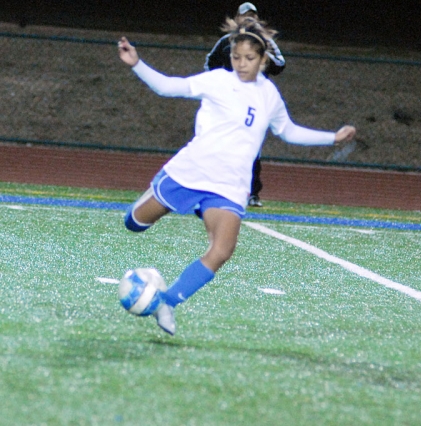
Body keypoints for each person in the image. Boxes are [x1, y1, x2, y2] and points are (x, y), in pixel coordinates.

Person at [117, 17, 356, 336]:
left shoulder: (268, 95)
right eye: (236, 57)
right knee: (133, 224)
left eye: (249, 58)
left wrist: (333, 138)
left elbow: (288, 131)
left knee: (222, 251)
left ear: (263, 59)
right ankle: (156, 197)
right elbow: (167, 86)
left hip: (229, 188)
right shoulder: (217, 80)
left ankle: (167, 302)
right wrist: (137, 63)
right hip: (191, 172)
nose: (241, 64)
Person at [205, 2, 286, 208]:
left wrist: (263, 61)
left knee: (251, 147)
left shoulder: (264, 42)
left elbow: (280, 64)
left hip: (254, 101)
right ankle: (215, 187)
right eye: (246, 15)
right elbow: (210, 63)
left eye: (253, 15)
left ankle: (251, 193)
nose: (250, 18)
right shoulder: (227, 41)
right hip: (229, 101)